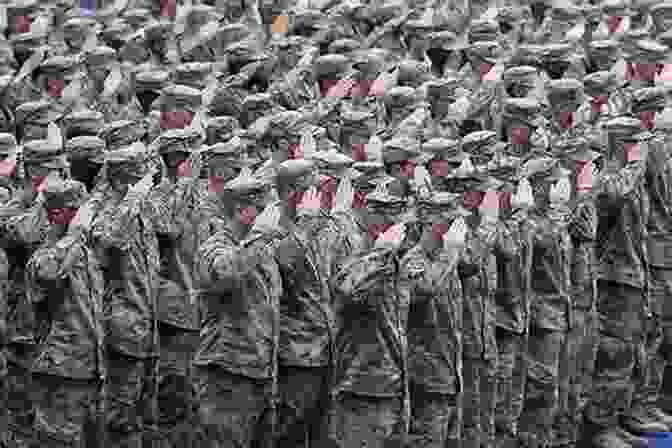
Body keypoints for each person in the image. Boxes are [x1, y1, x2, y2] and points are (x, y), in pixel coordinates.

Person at [194, 169, 282, 448]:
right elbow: (224, 274)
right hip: (228, 374)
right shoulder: (214, 247)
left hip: (261, 370)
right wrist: (259, 237)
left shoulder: (262, 247)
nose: (267, 216)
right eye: (260, 209)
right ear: (240, 209)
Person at [582, 117, 653, 448]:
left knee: (633, 350)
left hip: (632, 273)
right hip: (612, 279)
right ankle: (599, 426)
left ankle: (620, 415)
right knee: (613, 353)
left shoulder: (628, 177)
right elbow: (613, 197)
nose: (641, 149)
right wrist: (636, 165)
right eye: (634, 143)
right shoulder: (603, 175)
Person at [329, 178, 411, 448]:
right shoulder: (352, 249)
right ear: (370, 215)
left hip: (393, 382)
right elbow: (347, 290)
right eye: (386, 214)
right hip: (361, 383)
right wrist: (379, 254)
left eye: (398, 214)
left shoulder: (394, 257)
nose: (396, 223)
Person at [89, 143, 159, 448]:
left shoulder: (139, 210)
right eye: (139, 177)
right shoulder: (101, 210)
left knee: (145, 418)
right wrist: (133, 200)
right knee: (120, 418)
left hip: (146, 326)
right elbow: (112, 241)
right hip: (121, 329)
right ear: (123, 180)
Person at [26, 179, 106, 448]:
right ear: (59, 214)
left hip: (91, 368)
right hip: (61, 372)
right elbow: (50, 272)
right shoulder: (44, 252)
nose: (85, 218)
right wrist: (73, 235)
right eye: (78, 210)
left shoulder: (83, 249)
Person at [402, 167, 470, 448]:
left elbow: (475, 263)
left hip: (449, 369)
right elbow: (426, 288)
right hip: (426, 374)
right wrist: (450, 253)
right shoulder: (413, 259)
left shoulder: (448, 256)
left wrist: (454, 250)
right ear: (431, 222)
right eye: (450, 221)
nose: (456, 227)